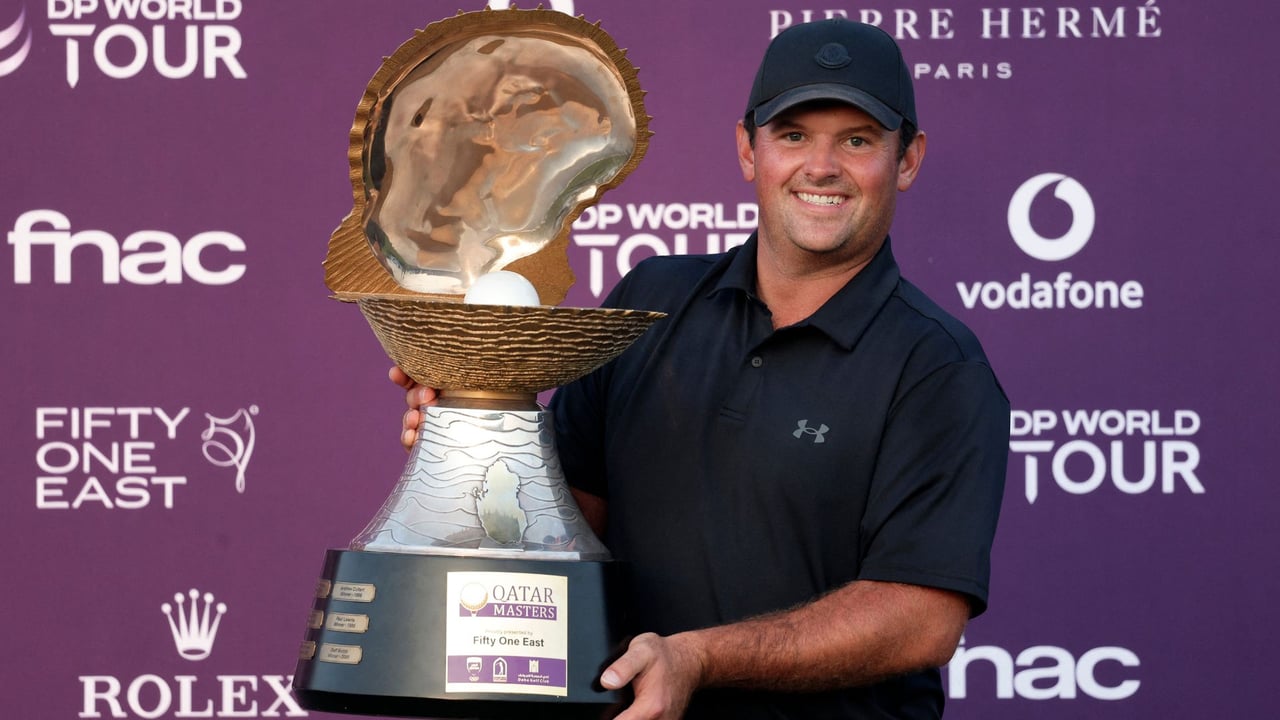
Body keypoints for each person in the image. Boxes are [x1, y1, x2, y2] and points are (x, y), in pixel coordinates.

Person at [395, 18, 1008, 719]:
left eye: (859, 140)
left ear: (907, 160)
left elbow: (921, 618)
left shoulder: (937, 367)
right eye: (794, 135)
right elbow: (562, 525)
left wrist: (698, 658)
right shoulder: (650, 302)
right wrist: (479, 429)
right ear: (749, 149)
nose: (822, 167)